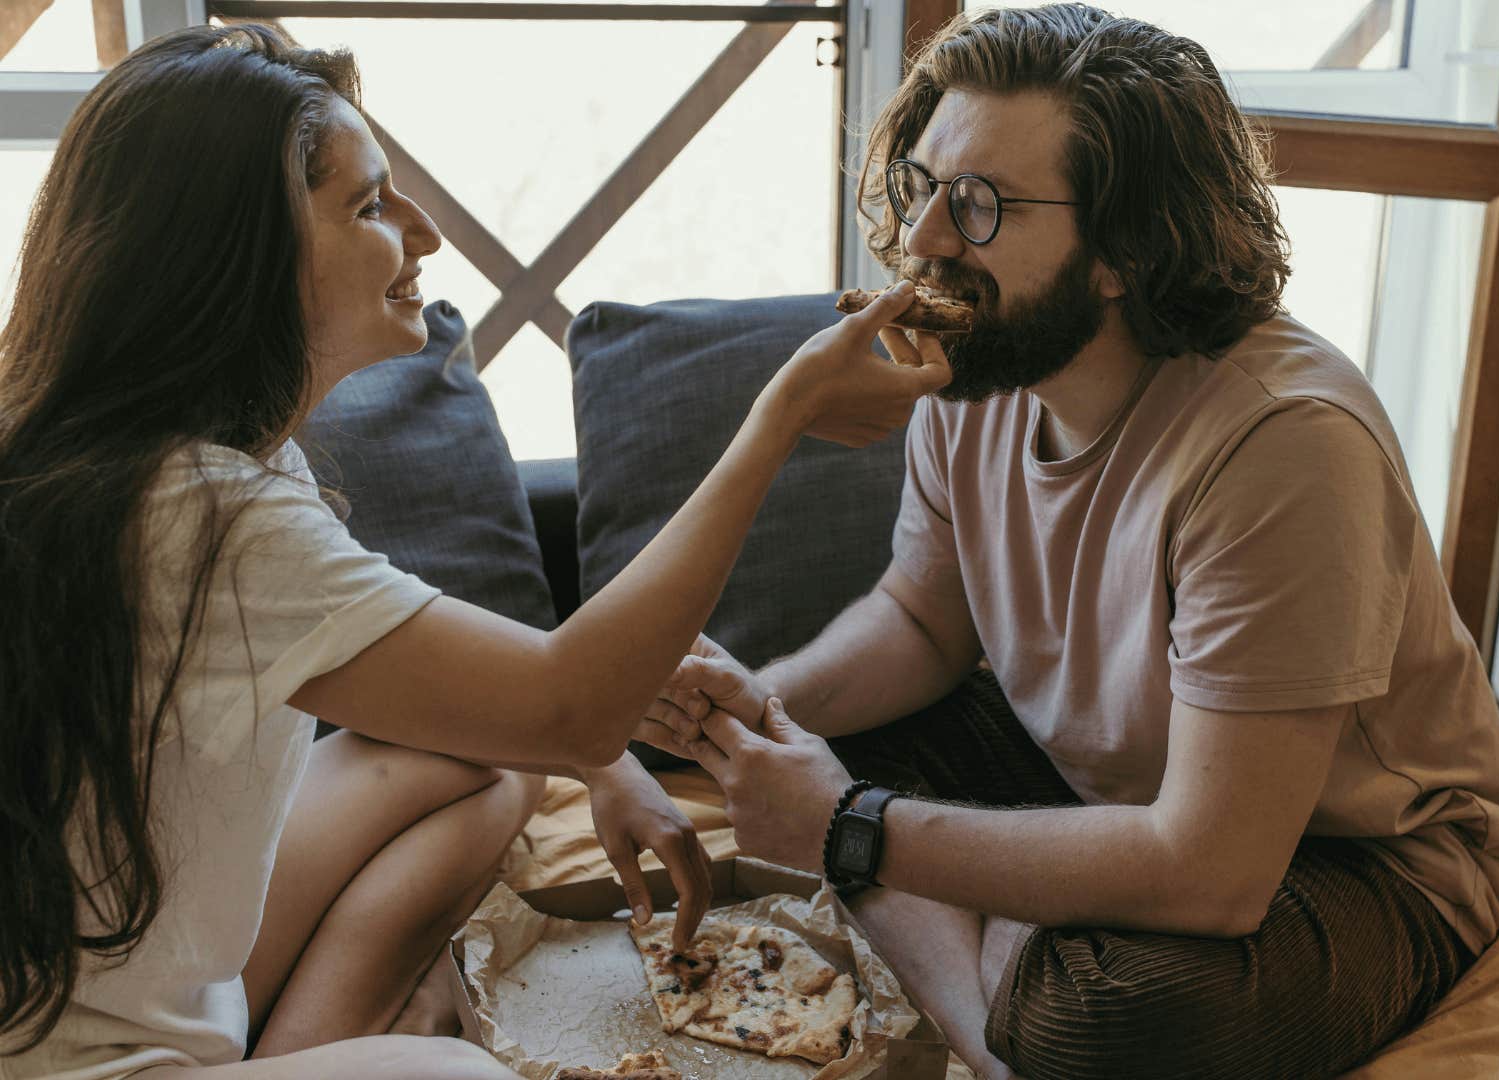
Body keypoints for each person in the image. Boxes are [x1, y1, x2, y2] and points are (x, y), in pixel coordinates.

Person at [0, 24, 948, 1079]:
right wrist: (781, 417)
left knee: (477, 756)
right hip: (89, 1059)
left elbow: (508, 701)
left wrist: (602, 744)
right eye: (369, 206)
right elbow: (565, 698)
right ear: (240, 255)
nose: (423, 233)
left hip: (153, 975)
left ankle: (318, 1044)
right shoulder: (206, 516)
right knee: (465, 1076)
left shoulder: (211, 466)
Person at [643, 5, 1499, 1078]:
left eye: (976, 206)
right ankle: (1000, 992)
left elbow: (1215, 867)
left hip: (1352, 857)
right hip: (1110, 784)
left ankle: (1003, 1031)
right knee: (829, 747)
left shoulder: (1286, 444)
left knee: (1096, 1020)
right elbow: (923, 623)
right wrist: (766, 704)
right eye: (922, 186)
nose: (926, 240)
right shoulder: (979, 361)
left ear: (1124, 248)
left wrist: (850, 831)